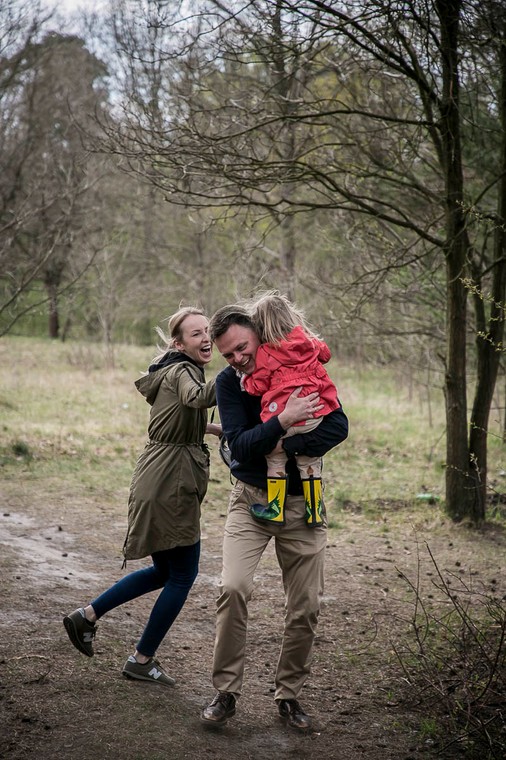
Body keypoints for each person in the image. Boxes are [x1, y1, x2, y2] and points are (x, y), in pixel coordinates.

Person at [201, 301, 348, 730]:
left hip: (304, 506)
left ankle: (289, 695)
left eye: (242, 348)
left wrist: (287, 447)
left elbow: (338, 428)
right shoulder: (230, 384)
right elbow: (239, 445)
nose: (237, 359)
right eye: (227, 354)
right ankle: (226, 691)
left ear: (258, 334)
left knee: (305, 607)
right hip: (250, 502)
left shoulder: (295, 365)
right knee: (232, 587)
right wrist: (283, 421)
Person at [63, 306, 220, 686]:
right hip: (171, 483)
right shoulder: (184, 371)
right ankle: (141, 658)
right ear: (178, 343)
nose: (206, 339)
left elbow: (182, 415)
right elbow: (196, 397)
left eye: (208, 332)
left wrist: (212, 430)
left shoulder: (171, 369)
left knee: (164, 571)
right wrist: (239, 365)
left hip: (159, 476)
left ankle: (88, 615)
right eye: (196, 333)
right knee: (183, 576)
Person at [242, 291, 341, 528]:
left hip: (283, 418)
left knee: (275, 457)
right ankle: (314, 509)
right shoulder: (307, 341)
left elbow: (258, 386)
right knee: (310, 460)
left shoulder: (266, 352)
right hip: (314, 413)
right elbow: (326, 354)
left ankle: (275, 509)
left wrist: (245, 381)